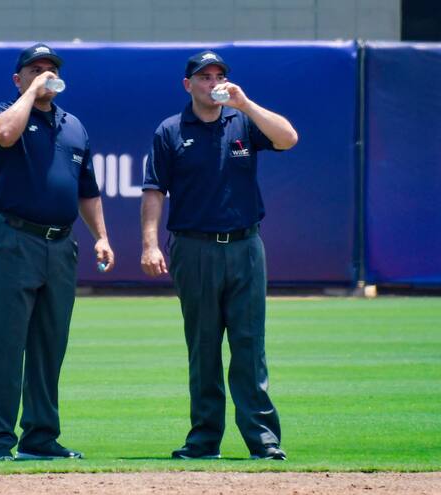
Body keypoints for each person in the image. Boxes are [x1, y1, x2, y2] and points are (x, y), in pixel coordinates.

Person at [140, 50, 298, 461]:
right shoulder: (171, 130)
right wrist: (149, 243)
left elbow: (288, 138)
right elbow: (154, 190)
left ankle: (263, 440)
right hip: (194, 249)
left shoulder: (243, 120)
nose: (213, 83)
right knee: (203, 347)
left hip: (246, 246)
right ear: (187, 84)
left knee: (250, 346)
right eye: (204, 77)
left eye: (218, 75)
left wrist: (245, 102)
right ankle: (204, 439)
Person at [0, 43, 114, 461]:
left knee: (49, 344)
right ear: (17, 77)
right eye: (35, 68)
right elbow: (5, 133)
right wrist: (30, 92)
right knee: (4, 342)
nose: (45, 74)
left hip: (61, 244)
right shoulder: (3, 113)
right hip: (13, 240)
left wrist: (102, 237)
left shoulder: (73, 126)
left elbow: (86, 191)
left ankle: (40, 437)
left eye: (51, 68)